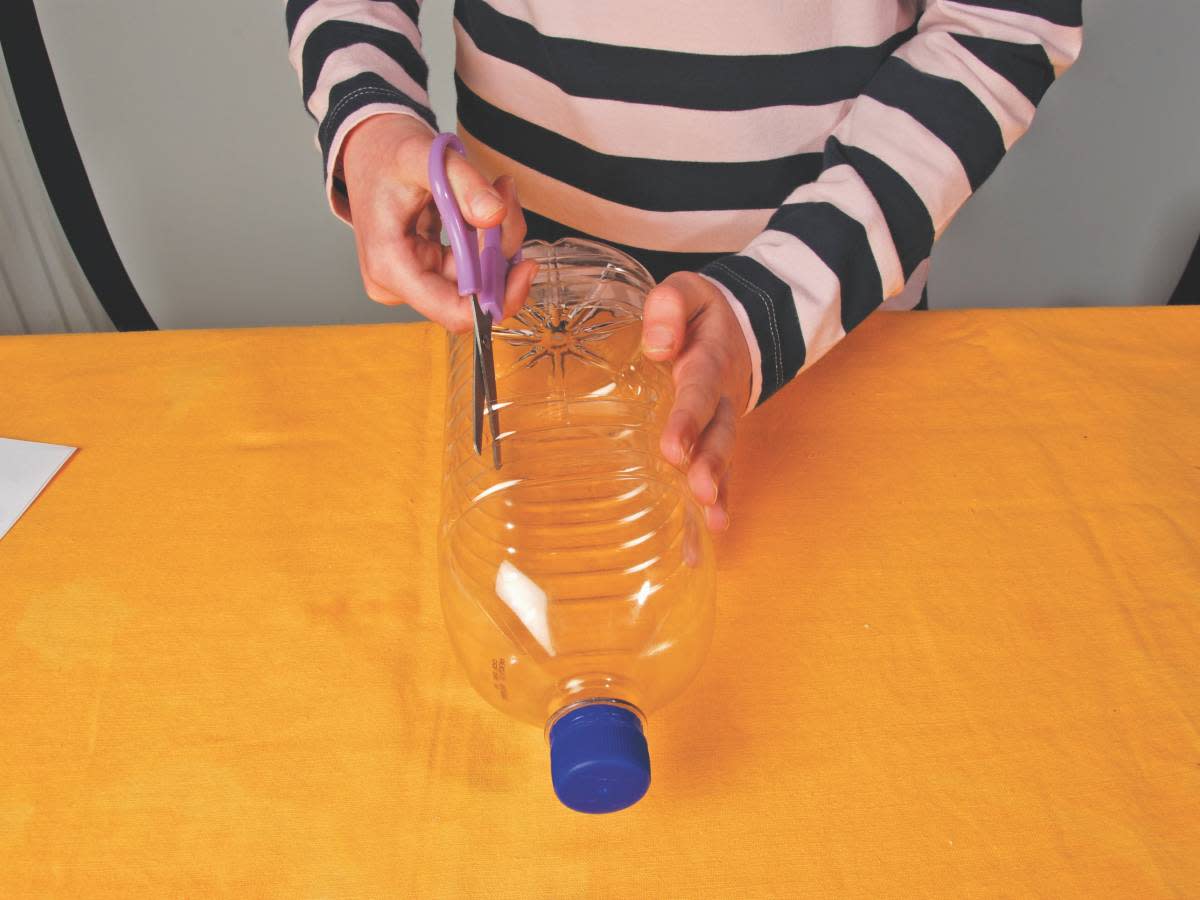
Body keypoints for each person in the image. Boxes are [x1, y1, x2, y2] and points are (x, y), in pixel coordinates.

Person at [286, 0, 1082, 533]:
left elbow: (1002, 20)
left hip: (834, 323)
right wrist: (369, 118)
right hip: (522, 330)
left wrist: (773, 306)